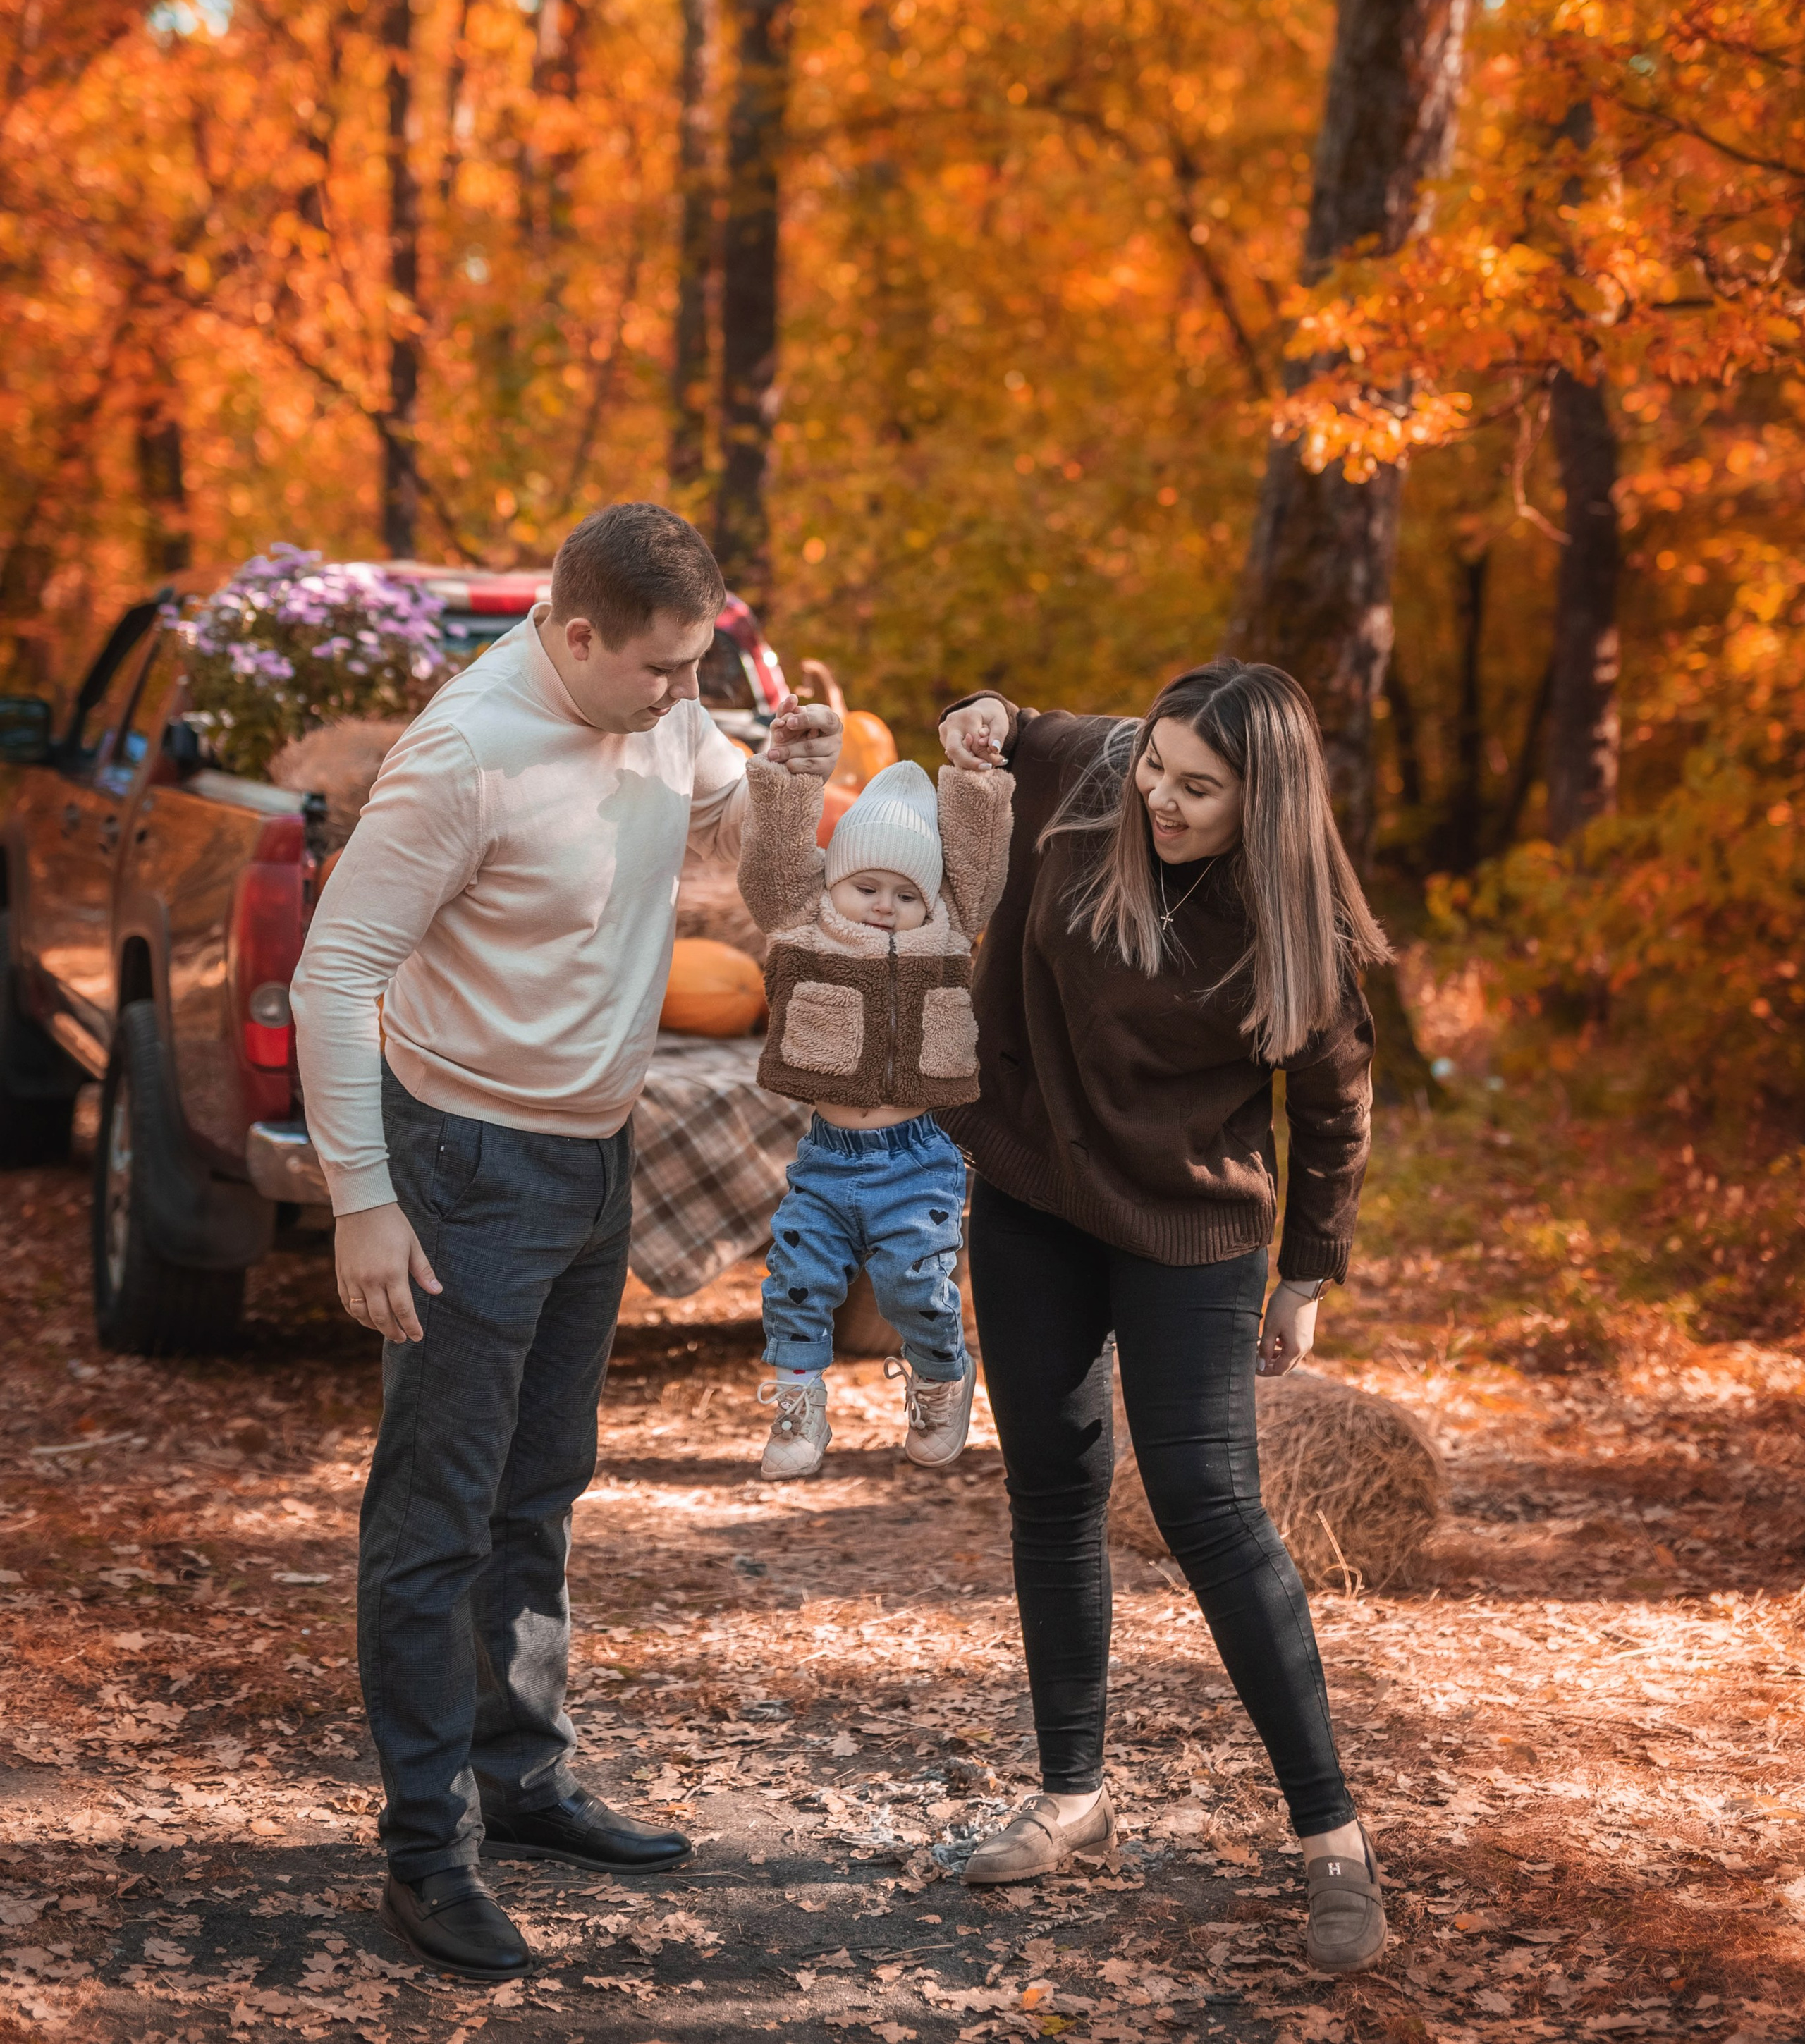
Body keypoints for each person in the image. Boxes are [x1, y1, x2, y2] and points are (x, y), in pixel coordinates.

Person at [290, 503, 839, 1983]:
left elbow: (760, 866)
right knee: (438, 1512)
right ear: (574, 633)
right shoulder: (464, 756)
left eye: (698, 668)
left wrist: (793, 782)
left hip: (598, 1149)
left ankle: (518, 1782)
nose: (684, 696)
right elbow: (332, 977)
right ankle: (425, 1851)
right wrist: (362, 1199)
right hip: (464, 1163)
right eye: (662, 669)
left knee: (541, 1484)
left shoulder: (666, 712)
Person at [938, 661, 1392, 1976]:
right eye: (1158, 767)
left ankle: (1332, 1836)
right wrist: (977, 713)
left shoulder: (1294, 921)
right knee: (1054, 1480)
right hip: (1029, 1183)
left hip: (1189, 1220)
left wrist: (1305, 1276)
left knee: (1209, 1503)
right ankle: (1073, 1790)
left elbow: (1337, 1104)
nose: (1161, 797)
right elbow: (1004, 720)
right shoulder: (1099, 770)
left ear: (1267, 799)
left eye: (1199, 786)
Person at [735, 747, 1014, 1478]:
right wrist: (794, 780)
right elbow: (770, 868)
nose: (886, 905)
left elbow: (980, 869)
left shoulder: (948, 938)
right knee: (797, 1281)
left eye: (906, 893)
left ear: (933, 903)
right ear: (832, 884)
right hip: (828, 1158)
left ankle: (941, 1378)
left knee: (912, 1283)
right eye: (866, 886)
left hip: (917, 1157)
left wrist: (977, 784)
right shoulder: (804, 931)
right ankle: (798, 1411)